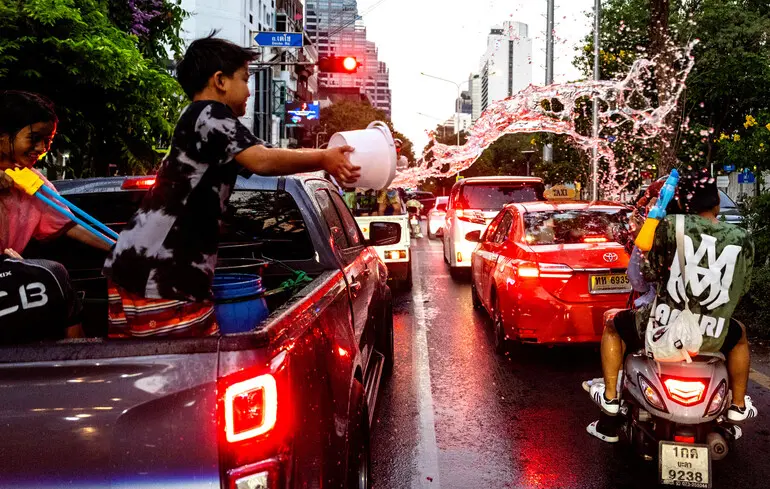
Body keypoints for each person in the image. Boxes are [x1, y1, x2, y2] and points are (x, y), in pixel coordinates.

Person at [103, 34, 360, 338]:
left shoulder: (200, 120)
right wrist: (324, 159)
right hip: (165, 272)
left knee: (140, 371)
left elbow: (265, 155)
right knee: (185, 373)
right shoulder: (211, 114)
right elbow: (262, 161)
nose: (249, 91)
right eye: (245, 79)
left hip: (139, 266)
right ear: (220, 81)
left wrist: (326, 157)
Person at [587, 168, 757, 442]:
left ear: (683, 203)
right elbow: (742, 289)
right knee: (740, 336)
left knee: (613, 326)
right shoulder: (742, 238)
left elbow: (646, 275)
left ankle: (610, 400)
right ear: (716, 204)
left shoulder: (669, 225)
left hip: (661, 332)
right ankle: (737, 407)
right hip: (714, 337)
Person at [0, 91, 112, 255]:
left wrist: (118, 248)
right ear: (2, 135)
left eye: (48, 140)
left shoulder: (33, 181)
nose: (41, 148)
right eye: (34, 138)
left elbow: (70, 223)